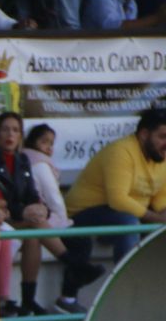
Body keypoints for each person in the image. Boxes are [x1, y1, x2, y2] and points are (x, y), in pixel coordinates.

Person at [0, 111, 103, 316]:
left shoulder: (21, 160)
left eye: (15, 130)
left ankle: (28, 301)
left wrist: (41, 209)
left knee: (33, 234)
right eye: (5, 129)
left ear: (21, 136)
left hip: (19, 218)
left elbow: (31, 193)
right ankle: (74, 265)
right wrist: (24, 210)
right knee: (34, 226)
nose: (10, 135)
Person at [60, 108, 166, 306]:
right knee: (129, 223)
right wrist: (158, 219)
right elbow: (118, 200)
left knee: (149, 228)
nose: (165, 143)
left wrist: (162, 215)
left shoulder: (161, 157)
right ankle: (126, 293)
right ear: (144, 134)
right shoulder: (121, 151)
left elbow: (161, 199)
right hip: (82, 213)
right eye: (162, 136)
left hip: (125, 214)